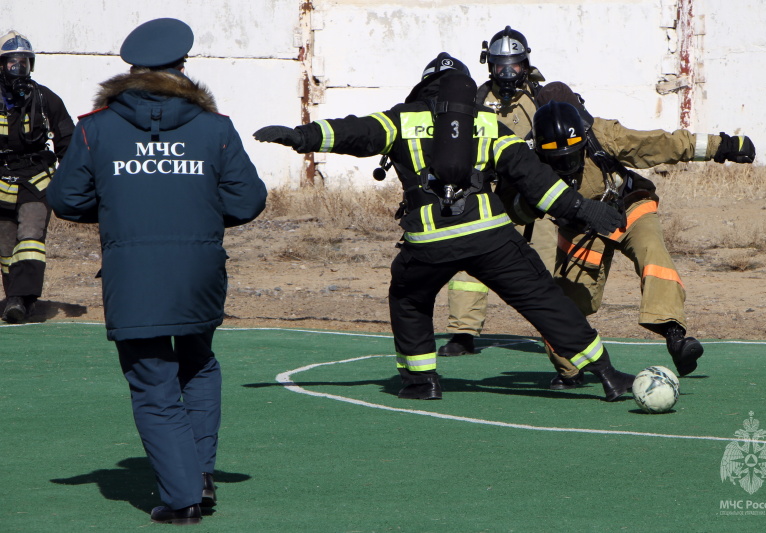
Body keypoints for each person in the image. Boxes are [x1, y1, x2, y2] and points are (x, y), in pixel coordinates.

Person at [254, 52, 635, 403]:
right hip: (491, 238)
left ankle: (423, 382)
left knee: (409, 300)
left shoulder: (400, 120)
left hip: (427, 242)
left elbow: (353, 133)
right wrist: (585, 210)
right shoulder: (489, 125)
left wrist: (300, 137)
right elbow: (537, 182)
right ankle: (607, 374)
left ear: (422, 87)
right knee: (542, 300)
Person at [47, 18, 267, 525]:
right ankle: (201, 475)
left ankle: (184, 494)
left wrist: (120, 208)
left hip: (134, 271)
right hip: (200, 269)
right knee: (199, 364)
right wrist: (199, 212)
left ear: (132, 72)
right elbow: (248, 199)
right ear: (182, 69)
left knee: (152, 379)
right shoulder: (214, 127)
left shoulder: (95, 127)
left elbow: (66, 200)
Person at [513, 83, 755, 389]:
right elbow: (511, 207)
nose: (565, 162)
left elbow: (660, 145)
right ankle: (569, 370)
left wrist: (724, 146)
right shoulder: (527, 156)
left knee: (653, 254)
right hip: (581, 228)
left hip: (628, 207)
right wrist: (528, 202)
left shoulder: (602, 133)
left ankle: (674, 335)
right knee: (564, 306)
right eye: (556, 158)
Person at [439, 26, 557, 357]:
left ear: (525, 63)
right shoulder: (476, 99)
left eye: (514, 66)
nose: (507, 73)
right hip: (490, 194)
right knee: (470, 257)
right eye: (500, 66)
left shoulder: (541, 98)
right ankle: (463, 332)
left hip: (537, 194)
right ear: (488, 65)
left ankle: (555, 334)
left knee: (546, 263)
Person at [0, 30, 74, 323]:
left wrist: (69, 178)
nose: (19, 69)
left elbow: (67, 139)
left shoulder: (45, 99)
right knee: (5, 244)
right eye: (12, 64)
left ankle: (22, 298)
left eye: (25, 63)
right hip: (2, 178)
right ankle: (17, 298)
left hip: (36, 179)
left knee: (29, 236)